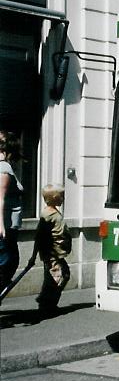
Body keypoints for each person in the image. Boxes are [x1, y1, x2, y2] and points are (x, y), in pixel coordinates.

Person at [29, 184, 71, 313]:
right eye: (61, 196)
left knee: (58, 275)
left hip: (57, 253)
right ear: (54, 198)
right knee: (58, 276)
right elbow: (39, 236)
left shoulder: (53, 213)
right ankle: (47, 303)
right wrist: (34, 255)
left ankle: (47, 301)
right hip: (52, 253)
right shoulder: (48, 215)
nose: (63, 198)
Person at [0, 131, 24, 291]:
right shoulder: (4, 167)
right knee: (8, 261)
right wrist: (1, 225)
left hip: (8, 225)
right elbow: (0, 198)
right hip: (5, 226)